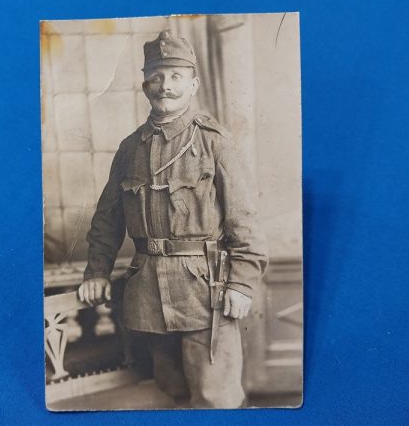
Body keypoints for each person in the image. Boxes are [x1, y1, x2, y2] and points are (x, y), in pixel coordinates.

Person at [77, 30, 268, 408]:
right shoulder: (130, 149)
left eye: (177, 76)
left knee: (216, 398)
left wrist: (242, 284)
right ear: (145, 83)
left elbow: (245, 220)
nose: (166, 85)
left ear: (194, 83)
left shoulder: (216, 143)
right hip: (147, 292)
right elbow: (107, 219)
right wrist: (97, 271)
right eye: (158, 76)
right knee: (168, 394)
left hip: (206, 292)